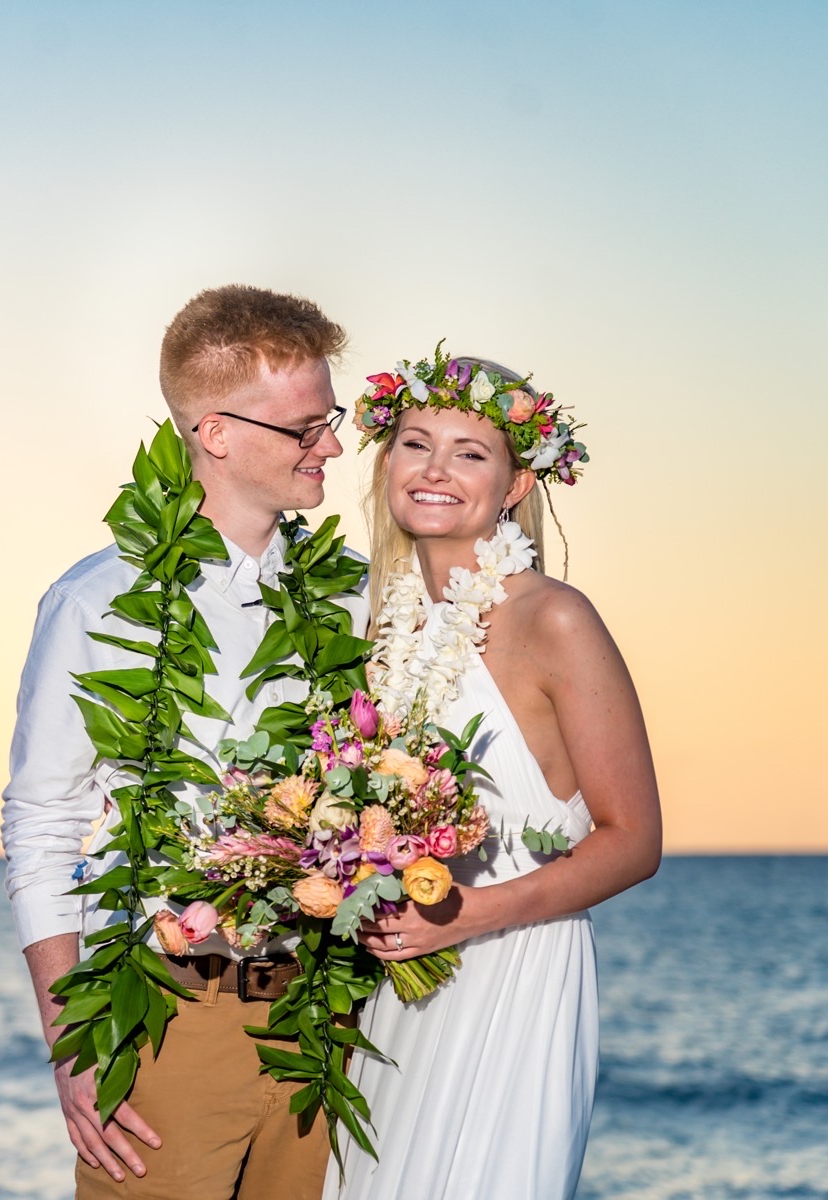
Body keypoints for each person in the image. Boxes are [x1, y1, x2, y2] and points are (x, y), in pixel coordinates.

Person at [1, 285, 368, 1199]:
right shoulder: (95, 602)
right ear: (216, 433)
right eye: (305, 427)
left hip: (328, 1024)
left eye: (330, 421)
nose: (330, 446)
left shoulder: (354, 598)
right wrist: (71, 1046)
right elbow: (42, 827)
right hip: (166, 1021)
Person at [331, 356, 662, 1200]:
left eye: (470, 453)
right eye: (416, 444)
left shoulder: (555, 617)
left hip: (515, 974)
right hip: (399, 986)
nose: (435, 469)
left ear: (515, 485)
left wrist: (470, 915)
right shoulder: (380, 626)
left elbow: (634, 842)